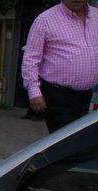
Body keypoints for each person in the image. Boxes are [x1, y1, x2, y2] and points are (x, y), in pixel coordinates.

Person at [22, 0, 98, 133]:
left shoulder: (96, 16)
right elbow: (31, 59)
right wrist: (34, 91)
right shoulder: (45, 20)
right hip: (58, 94)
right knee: (65, 142)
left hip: (86, 94)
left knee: (80, 140)